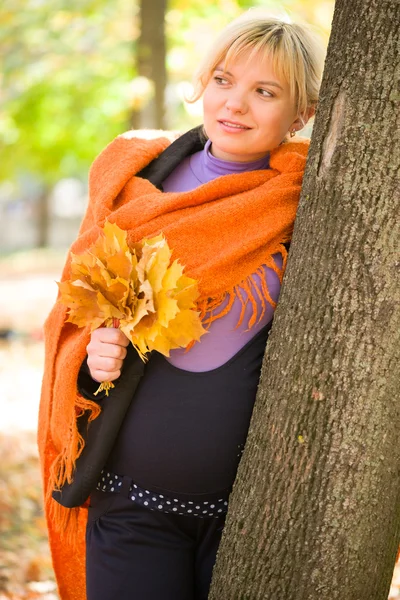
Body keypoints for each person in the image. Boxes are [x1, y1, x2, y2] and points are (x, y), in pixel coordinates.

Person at [38, 11, 325, 600]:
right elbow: (77, 312)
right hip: (132, 507)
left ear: (302, 115)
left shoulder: (306, 204)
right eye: (223, 80)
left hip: (249, 520)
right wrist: (97, 349)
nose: (235, 104)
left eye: (264, 91)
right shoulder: (138, 178)